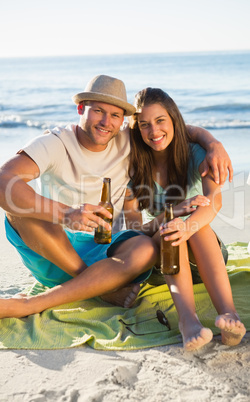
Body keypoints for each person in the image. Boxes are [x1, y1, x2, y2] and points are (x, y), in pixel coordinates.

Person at [0, 75, 233, 319]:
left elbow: (170, 129)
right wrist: (66, 213)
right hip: (55, 249)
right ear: (81, 108)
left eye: (115, 115)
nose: (106, 122)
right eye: (98, 110)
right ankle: (89, 290)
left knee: (152, 244)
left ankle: (86, 289)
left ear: (123, 120)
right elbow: (4, 182)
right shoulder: (55, 143)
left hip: (110, 253)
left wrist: (213, 142)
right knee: (16, 206)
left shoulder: (126, 139)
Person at [124, 87, 246, 351]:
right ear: (137, 129)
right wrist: (173, 214)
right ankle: (188, 322)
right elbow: (134, 231)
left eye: (160, 121)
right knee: (171, 227)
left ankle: (229, 314)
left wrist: (186, 224)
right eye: (144, 125)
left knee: (192, 223)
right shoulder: (133, 165)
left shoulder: (196, 153)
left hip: (206, 258)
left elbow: (214, 201)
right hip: (162, 264)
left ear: (173, 121)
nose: (153, 131)